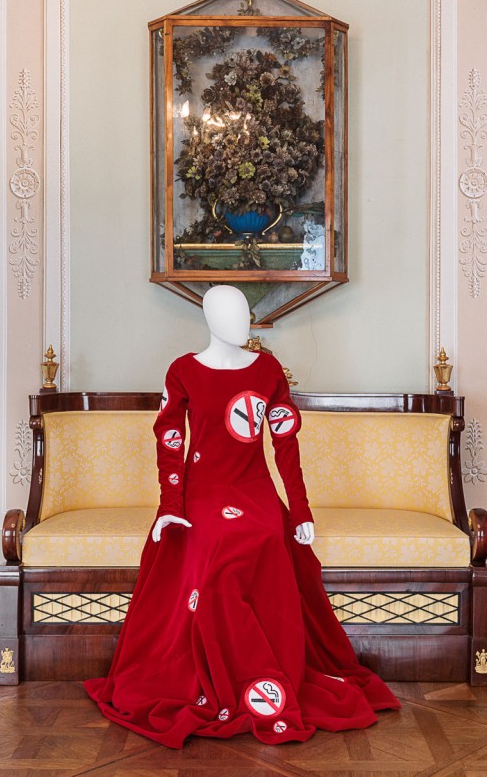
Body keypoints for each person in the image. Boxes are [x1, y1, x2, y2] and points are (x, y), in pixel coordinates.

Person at [85, 286, 398, 748]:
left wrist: (299, 511)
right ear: (208, 318)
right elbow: (169, 436)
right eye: (226, 314)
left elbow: (285, 443)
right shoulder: (184, 370)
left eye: (243, 314)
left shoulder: (268, 370)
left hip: (256, 490)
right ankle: (225, 681)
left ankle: (263, 678)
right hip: (202, 492)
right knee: (215, 553)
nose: (239, 324)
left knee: (267, 538)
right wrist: (171, 506)